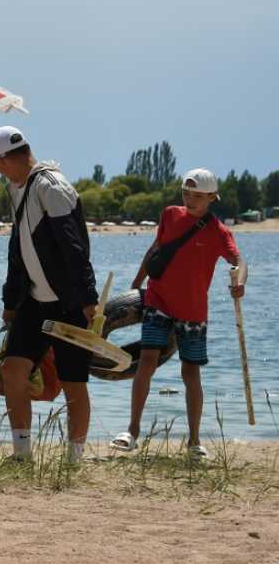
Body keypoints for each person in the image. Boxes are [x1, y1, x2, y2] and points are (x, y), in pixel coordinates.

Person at [111, 168, 245, 460]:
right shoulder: (170, 214)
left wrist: (240, 281)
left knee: (190, 372)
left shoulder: (219, 232)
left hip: (193, 310)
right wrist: (136, 284)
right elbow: (156, 249)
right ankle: (132, 432)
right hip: (158, 301)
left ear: (211, 197)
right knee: (146, 360)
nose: (190, 199)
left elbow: (237, 260)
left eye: (197, 195)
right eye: (186, 193)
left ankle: (194, 442)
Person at [0, 126, 98, 463]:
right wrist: (10, 303)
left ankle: (73, 459)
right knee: (12, 370)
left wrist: (88, 298)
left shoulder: (52, 186)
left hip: (69, 304)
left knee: (73, 382)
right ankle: (22, 454)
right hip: (34, 303)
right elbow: (17, 250)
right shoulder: (17, 188)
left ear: (1, 160)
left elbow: (74, 246)